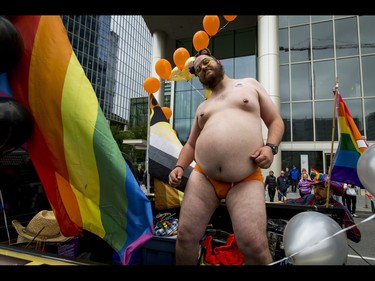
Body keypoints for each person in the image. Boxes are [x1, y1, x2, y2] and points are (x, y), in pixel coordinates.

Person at [168, 48, 285, 265]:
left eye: (206, 62)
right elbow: (191, 144)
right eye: (199, 68)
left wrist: (270, 147)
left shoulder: (250, 84)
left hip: (245, 178)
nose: (204, 68)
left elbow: (276, 121)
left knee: (255, 246)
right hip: (203, 177)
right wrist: (178, 166)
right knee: (185, 237)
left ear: (217, 61)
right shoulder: (203, 107)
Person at [283, 179, 361, 243]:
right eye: (315, 187)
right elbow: (295, 202)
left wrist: (339, 224)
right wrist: (283, 202)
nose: (316, 191)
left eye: (321, 188)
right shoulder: (309, 198)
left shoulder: (339, 208)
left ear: (330, 192)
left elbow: (356, 236)